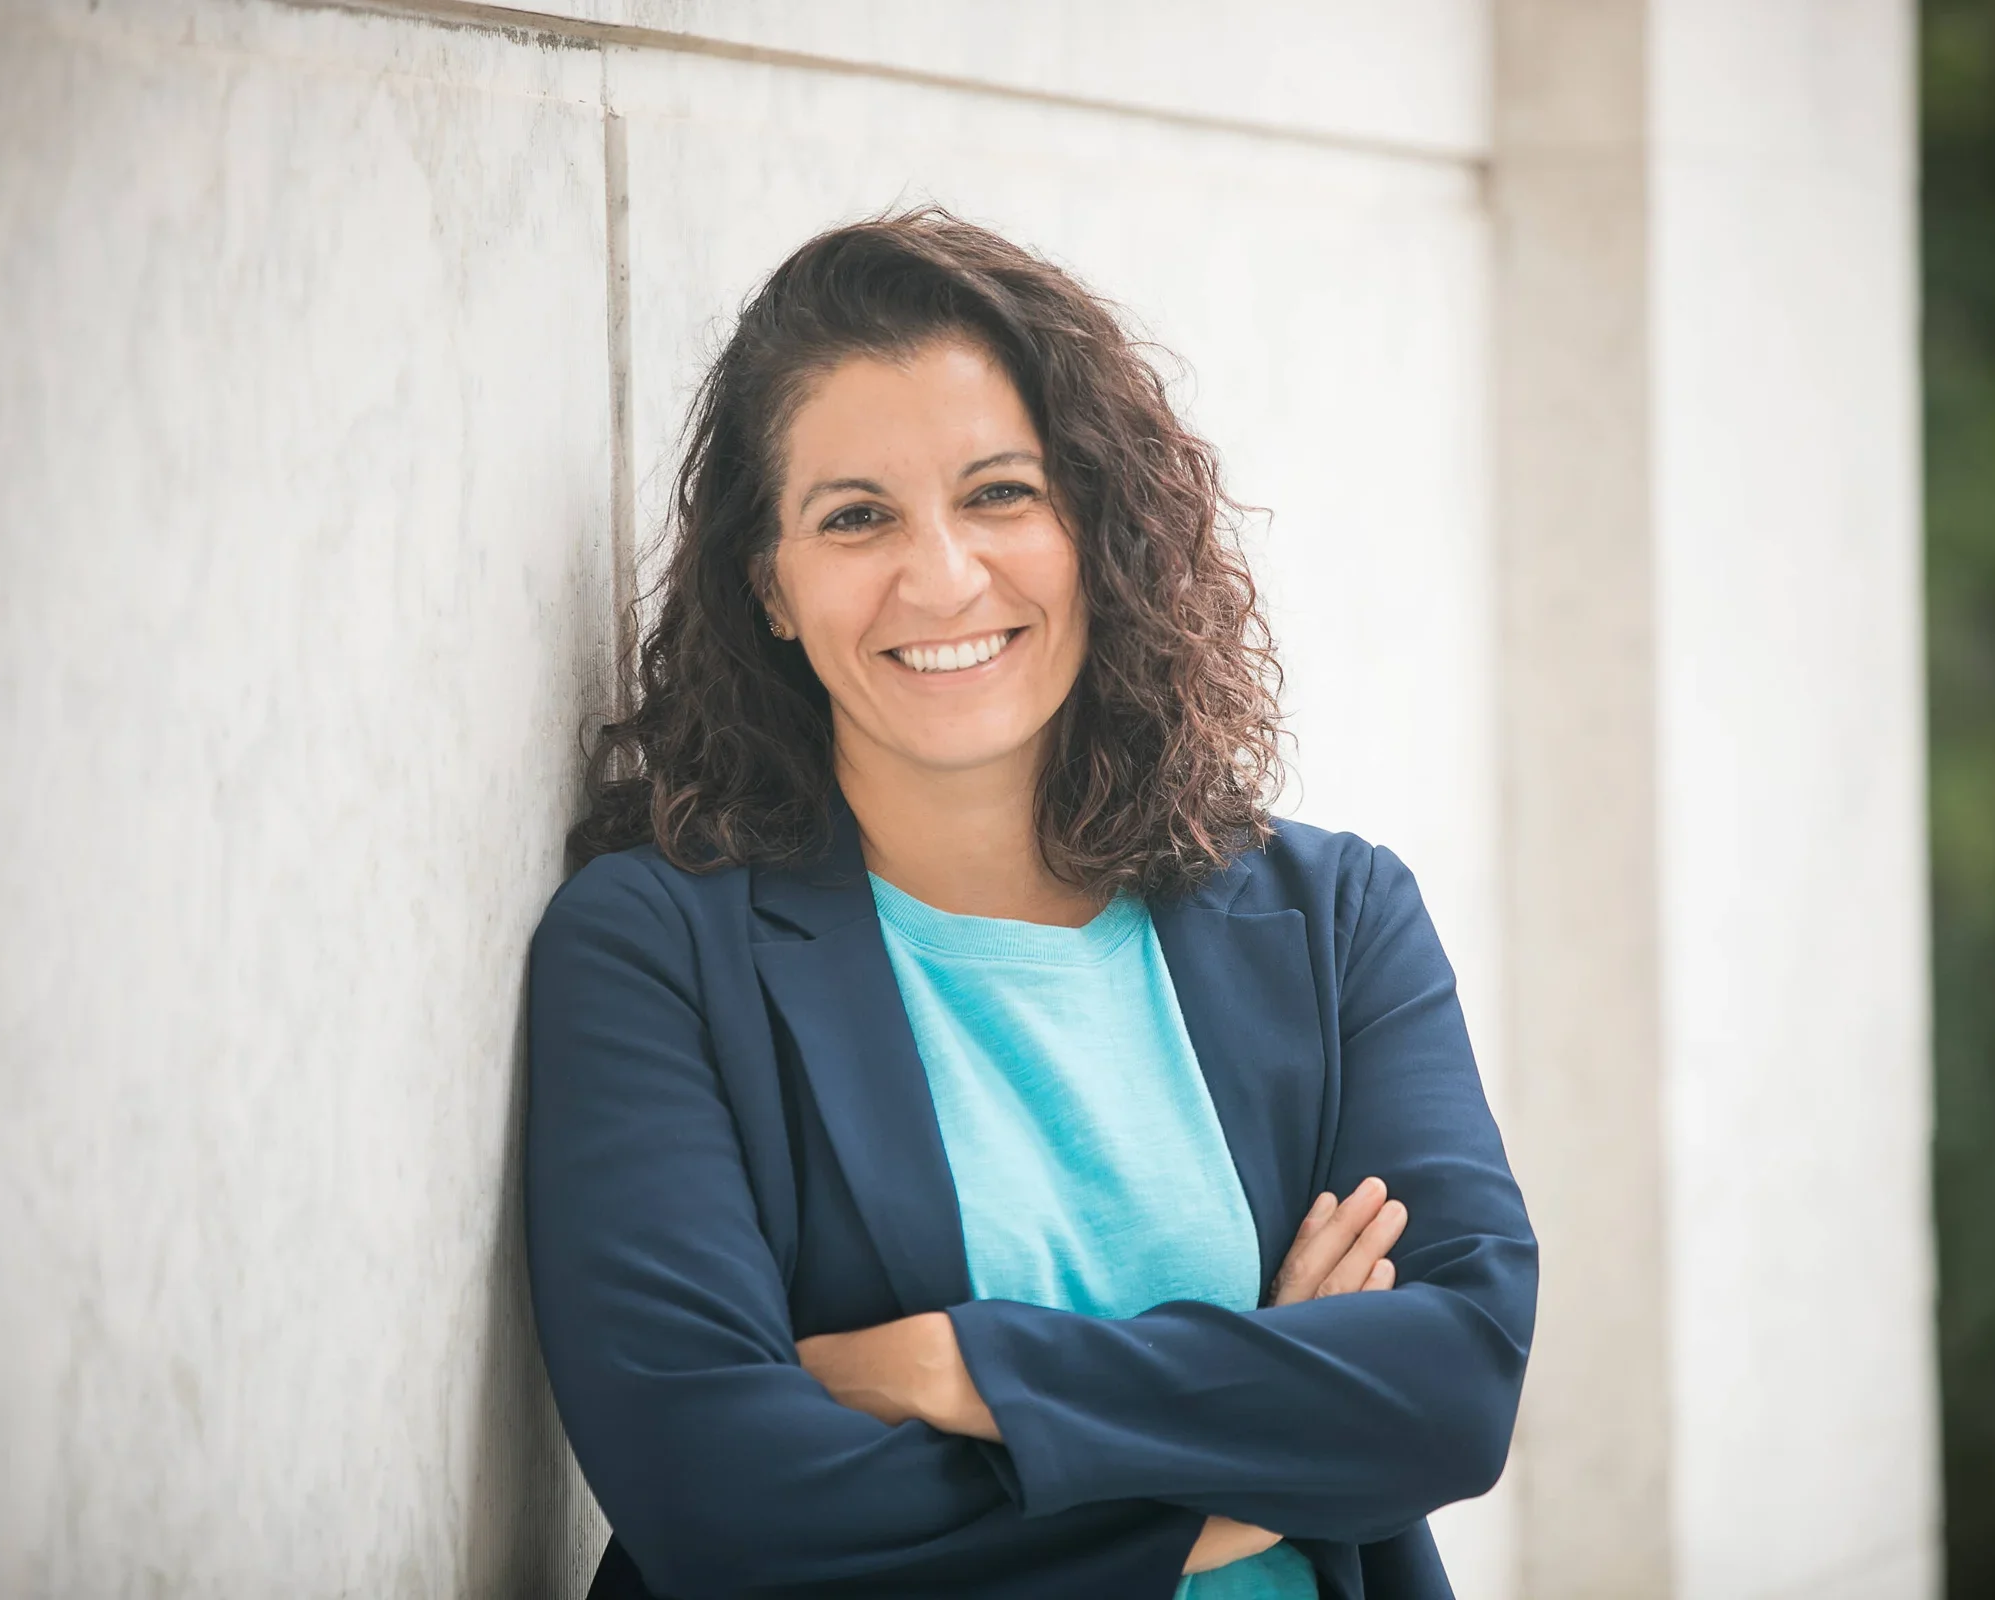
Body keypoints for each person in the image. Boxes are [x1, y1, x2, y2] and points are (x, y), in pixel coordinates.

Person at [525, 208, 1536, 1600]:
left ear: (1096, 525)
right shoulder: (656, 953)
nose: (941, 576)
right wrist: (1248, 1464)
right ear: (771, 581)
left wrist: (960, 1365)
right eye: (856, 516)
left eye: (1001, 493)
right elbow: (719, 1496)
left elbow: (1455, 1384)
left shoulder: (1337, 921)